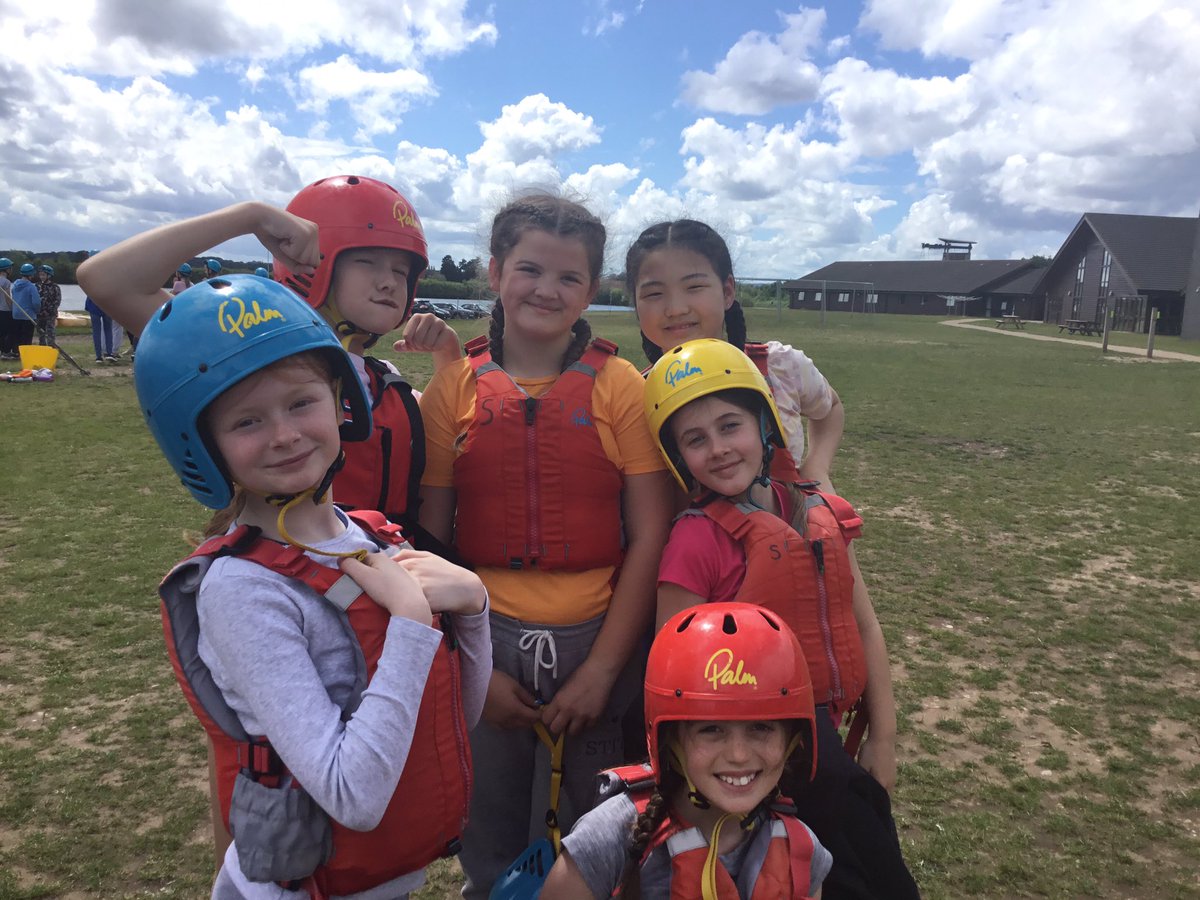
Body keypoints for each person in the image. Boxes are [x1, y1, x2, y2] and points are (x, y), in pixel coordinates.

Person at [73, 268, 492, 899]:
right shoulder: (241, 590)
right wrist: (410, 623)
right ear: (203, 445)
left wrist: (477, 609)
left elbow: (452, 720)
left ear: (339, 399)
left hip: (385, 879)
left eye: (302, 403)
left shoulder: (369, 536)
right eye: (247, 422)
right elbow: (354, 796)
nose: (286, 434)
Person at [417, 192, 673, 898]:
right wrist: (474, 672)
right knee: (490, 834)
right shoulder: (451, 390)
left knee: (592, 839)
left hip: (597, 643)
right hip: (485, 641)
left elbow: (651, 535)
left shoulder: (620, 386)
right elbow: (429, 545)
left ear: (592, 290)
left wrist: (601, 673)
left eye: (569, 278)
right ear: (495, 272)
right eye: (529, 269)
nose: (547, 290)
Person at [644, 339, 919, 900]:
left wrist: (883, 737)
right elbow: (667, 677)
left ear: (765, 426)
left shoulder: (814, 511)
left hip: (832, 742)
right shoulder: (695, 542)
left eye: (730, 426)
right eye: (695, 439)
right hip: (767, 758)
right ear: (678, 457)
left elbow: (863, 624)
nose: (718, 449)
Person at [541, 601, 831, 899]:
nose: (739, 755)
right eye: (711, 730)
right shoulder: (607, 840)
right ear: (670, 740)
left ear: (792, 740)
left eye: (761, 728)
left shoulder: (802, 854)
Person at [626, 219, 843, 490]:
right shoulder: (631, 395)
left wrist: (817, 467)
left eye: (693, 287)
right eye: (654, 293)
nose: (676, 309)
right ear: (635, 304)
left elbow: (830, 407)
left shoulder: (780, 366)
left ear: (727, 291)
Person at [10, 263, 41, 348]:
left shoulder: (14, 286)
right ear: (30, 274)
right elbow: (36, 302)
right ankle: (25, 353)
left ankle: (16, 351)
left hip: (16, 315)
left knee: (17, 335)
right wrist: (37, 311)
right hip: (28, 316)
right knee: (26, 337)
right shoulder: (31, 287)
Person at [35, 265, 62, 347]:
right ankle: (42, 348)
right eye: (40, 275)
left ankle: (51, 348)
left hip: (50, 314)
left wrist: (50, 310)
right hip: (39, 314)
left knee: (50, 332)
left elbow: (57, 300)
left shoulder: (55, 287)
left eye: (43, 275)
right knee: (41, 333)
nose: (41, 277)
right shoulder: (37, 286)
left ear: (49, 275)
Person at [0, 257, 15, 360]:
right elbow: (8, 297)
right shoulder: (6, 282)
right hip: (5, 310)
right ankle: (5, 352)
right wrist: (12, 308)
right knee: (7, 332)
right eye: (10, 268)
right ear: (6, 269)